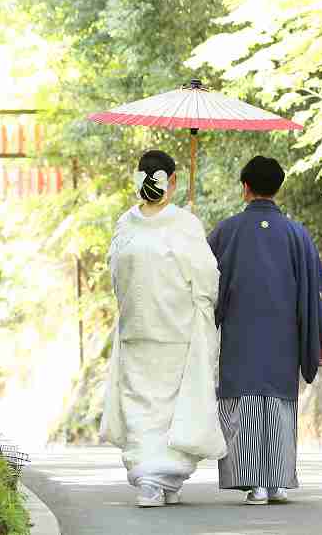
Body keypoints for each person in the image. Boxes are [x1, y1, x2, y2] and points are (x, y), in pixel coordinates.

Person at [207, 155, 322, 506]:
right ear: (277, 188)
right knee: (278, 402)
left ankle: (254, 484)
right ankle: (278, 481)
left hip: (241, 337)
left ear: (245, 188)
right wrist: (320, 337)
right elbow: (315, 291)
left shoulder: (226, 231)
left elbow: (205, 284)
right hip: (283, 338)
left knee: (245, 401)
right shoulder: (297, 233)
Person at [101, 150, 227, 508]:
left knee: (141, 406)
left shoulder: (125, 225)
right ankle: (155, 479)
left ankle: (159, 480)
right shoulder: (185, 224)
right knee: (174, 407)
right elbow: (206, 277)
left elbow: (116, 275)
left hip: (137, 327)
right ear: (172, 181)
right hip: (176, 327)